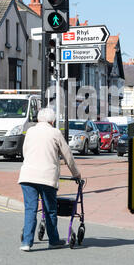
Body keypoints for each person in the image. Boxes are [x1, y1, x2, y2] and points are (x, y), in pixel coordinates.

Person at [18, 107, 81, 251]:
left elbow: (25, 152)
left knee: (30, 210)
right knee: (50, 210)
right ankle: (53, 240)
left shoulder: (30, 132)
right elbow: (68, 156)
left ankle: (26, 242)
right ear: (52, 121)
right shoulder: (55, 133)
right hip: (47, 177)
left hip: (27, 176)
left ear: (39, 119)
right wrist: (76, 174)